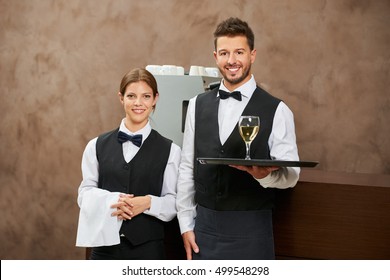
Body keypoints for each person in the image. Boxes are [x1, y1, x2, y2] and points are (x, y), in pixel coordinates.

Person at [176, 17, 300, 260]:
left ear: (252, 55)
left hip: (251, 228)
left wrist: (266, 177)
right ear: (215, 57)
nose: (231, 61)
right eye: (224, 53)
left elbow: (291, 176)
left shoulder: (278, 110)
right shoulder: (195, 105)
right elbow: (187, 167)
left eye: (239, 52)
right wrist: (186, 224)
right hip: (204, 229)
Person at [76, 68, 181, 260]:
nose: (138, 103)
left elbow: (175, 202)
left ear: (155, 99)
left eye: (146, 96)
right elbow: (84, 194)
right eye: (131, 96)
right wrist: (111, 201)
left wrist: (149, 203)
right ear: (121, 98)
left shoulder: (171, 151)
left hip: (148, 252)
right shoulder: (95, 146)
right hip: (103, 250)